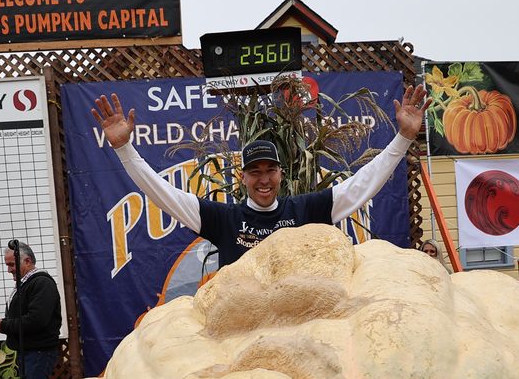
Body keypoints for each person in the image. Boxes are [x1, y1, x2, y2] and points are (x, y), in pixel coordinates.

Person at [90, 85, 431, 268]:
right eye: (255, 173)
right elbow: (161, 192)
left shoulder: (305, 211)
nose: (263, 179)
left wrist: (402, 138)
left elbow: (362, 185)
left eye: (270, 171)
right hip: (242, 343)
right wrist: (124, 149)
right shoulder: (223, 219)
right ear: (242, 178)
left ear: (281, 174)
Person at [0, 242, 62, 379]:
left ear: (27, 261)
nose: (9, 269)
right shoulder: (27, 283)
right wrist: (3, 324)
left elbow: (36, 320)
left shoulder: (41, 283)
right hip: (30, 352)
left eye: (11, 264)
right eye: (7, 265)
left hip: (39, 352)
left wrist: (3, 325)